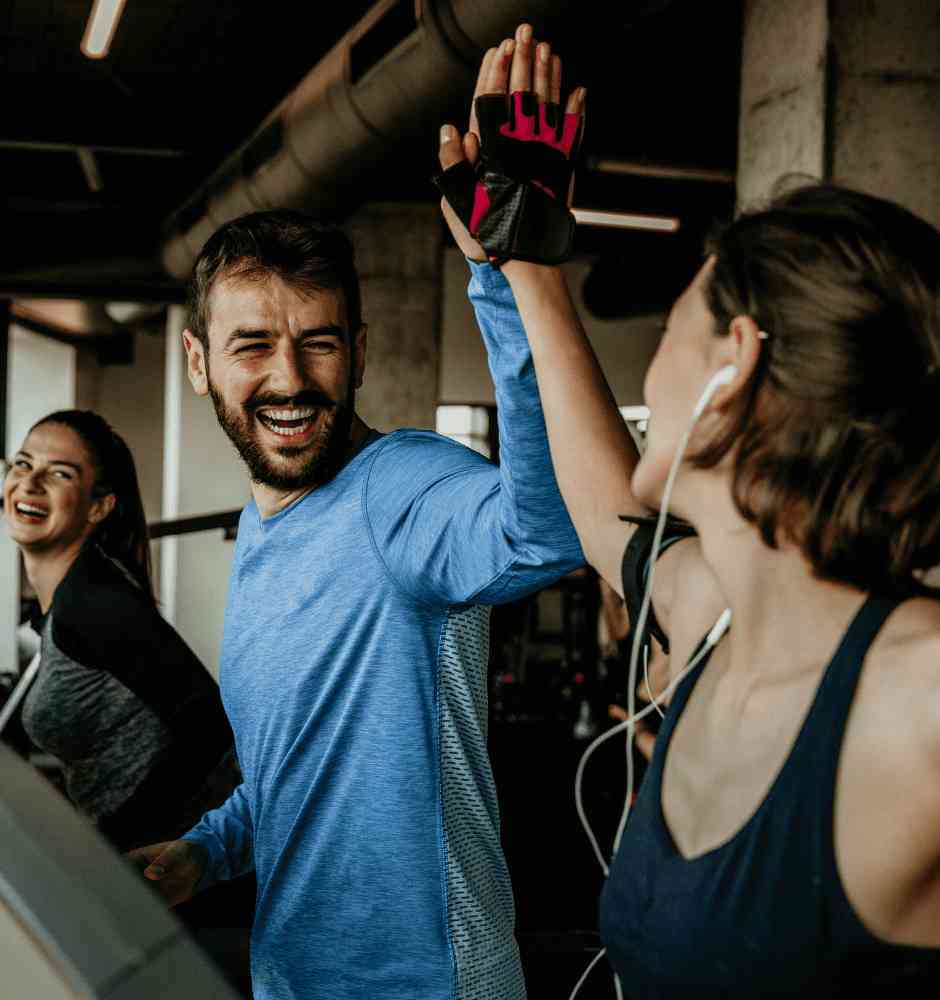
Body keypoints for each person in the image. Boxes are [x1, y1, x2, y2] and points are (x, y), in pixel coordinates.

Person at [435, 25, 940, 997]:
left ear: (731, 363)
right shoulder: (713, 617)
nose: (651, 368)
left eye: (668, 333)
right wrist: (525, 269)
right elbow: (611, 518)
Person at [128, 79, 584, 999]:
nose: (289, 378)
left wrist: (508, 280)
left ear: (362, 353)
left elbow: (549, 535)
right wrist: (204, 853)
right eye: (252, 345)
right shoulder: (265, 534)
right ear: (198, 364)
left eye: (320, 343)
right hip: (290, 978)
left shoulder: (403, 486)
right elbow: (296, 775)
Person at [2, 410, 234, 850]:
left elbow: (208, 726)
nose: (30, 483)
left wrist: (122, 840)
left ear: (98, 506)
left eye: (60, 473)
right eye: (23, 463)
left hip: (176, 867)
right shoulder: (70, 598)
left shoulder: (91, 602)